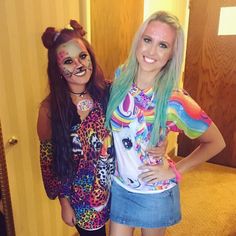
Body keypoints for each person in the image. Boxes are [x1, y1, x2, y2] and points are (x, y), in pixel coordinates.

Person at [37, 20, 166, 236]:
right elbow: (50, 161)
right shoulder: (49, 109)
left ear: (91, 57)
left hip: (120, 185)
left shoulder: (110, 92)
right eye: (68, 61)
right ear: (57, 69)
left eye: (83, 56)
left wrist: (162, 144)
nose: (78, 64)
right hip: (83, 199)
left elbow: (141, 121)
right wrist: (64, 203)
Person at [105, 11, 226, 236]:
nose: (151, 51)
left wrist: (175, 171)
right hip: (121, 186)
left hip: (154, 193)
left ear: (171, 54)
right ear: (138, 40)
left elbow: (216, 142)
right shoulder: (121, 77)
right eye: (148, 40)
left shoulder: (175, 99)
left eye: (163, 45)